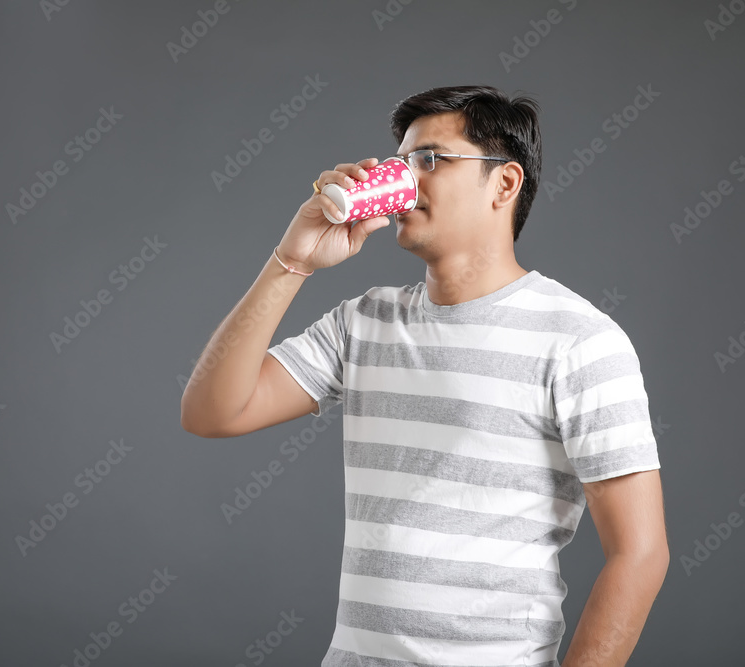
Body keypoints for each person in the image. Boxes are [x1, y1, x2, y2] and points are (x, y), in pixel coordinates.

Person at [181, 85, 669, 667]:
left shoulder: (580, 340)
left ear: (504, 184)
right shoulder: (364, 321)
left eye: (431, 160)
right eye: (402, 162)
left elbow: (640, 553)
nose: (406, 180)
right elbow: (212, 412)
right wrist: (293, 261)